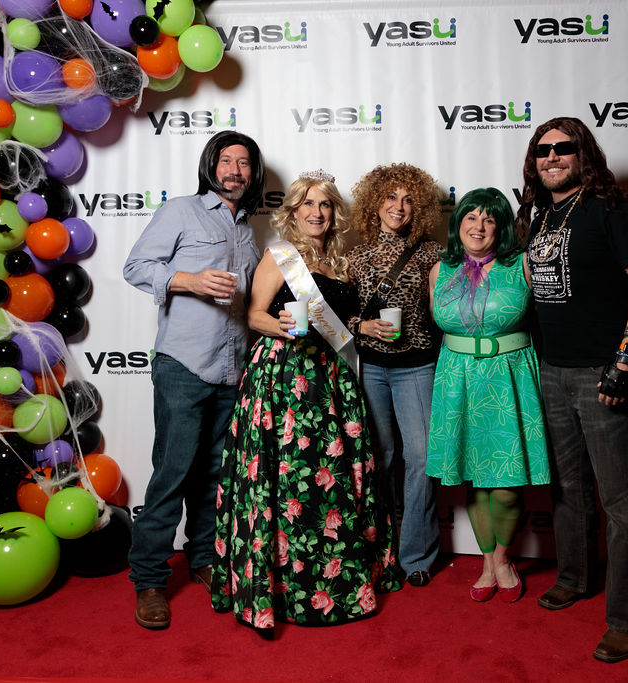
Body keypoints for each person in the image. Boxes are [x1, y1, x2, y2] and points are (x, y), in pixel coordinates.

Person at [211, 171, 402, 632]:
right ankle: (282, 587)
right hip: (285, 377)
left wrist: (363, 326)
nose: (317, 213)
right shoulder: (280, 256)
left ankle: (332, 577)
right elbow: (253, 314)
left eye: (325, 204)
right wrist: (280, 326)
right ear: (293, 211)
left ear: (335, 212)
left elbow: (336, 323)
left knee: (328, 477)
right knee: (287, 477)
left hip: (330, 377)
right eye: (308, 204)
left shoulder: (338, 262)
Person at [517, 117, 628, 663]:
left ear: (583, 154)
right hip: (552, 370)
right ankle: (575, 576)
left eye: (563, 148)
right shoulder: (540, 215)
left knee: (621, 504)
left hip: (603, 372)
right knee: (568, 489)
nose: (552, 157)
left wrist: (626, 357)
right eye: (542, 150)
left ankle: (627, 618)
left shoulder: (611, 206)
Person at [122, 131, 266, 630]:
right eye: (226, 160)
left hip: (232, 369)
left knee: (215, 476)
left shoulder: (248, 230)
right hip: (184, 365)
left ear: (253, 174)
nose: (235, 170)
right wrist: (190, 281)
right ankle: (149, 580)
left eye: (244, 163)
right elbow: (136, 267)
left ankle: (203, 557)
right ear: (211, 166)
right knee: (173, 472)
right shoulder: (180, 210)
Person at [426, 187, 550, 604]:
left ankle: (503, 559)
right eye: (471, 217)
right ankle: (486, 564)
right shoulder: (440, 269)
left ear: (501, 228)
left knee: (507, 484)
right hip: (457, 380)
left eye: (489, 219)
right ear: (458, 224)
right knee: (476, 482)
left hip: (510, 378)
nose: (478, 227)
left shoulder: (522, 265)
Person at [345, 163, 442, 587]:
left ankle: (416, 555)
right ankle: (380, 551)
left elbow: (444, 309)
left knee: (420, 459)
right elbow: (334, 314)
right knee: (378, 459)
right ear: (374, 202)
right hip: (370, 368)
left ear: (419, 208)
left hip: (417, 367)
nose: (398, 206)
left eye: (408, 200)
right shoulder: (355, 256)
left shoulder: (432, 253)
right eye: (390, 197)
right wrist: (360, 325)